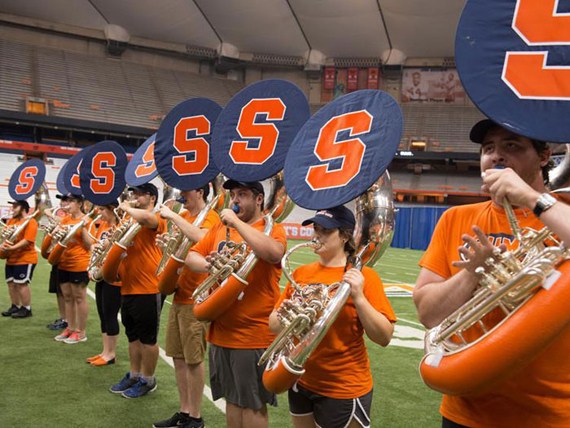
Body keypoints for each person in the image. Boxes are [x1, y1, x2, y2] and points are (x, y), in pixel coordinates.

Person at [413, 119, 570, 427]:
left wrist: (529, 197)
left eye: (512, 146)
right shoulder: (456, 218)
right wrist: (473, 274)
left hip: (552, 413)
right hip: (467, 409)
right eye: (488, 148)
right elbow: (428, 314)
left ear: (544, 156)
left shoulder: (561, 210)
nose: (496, 156)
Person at [268, 206, 396, 428]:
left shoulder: (365, 276)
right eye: (315, 228)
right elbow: (272, 324)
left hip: (343, 386)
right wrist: (295, 314)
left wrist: (359, 298)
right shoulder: (301, 273)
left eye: (325, 230)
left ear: (345, 236)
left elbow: (384, 336)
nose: (316, 235)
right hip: (300, 378)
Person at [185, 180, 287, 428]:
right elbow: (191, 256)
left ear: (259, 199)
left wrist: (237, 223)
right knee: (231, 401)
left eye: (242, 195)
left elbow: (274, 253)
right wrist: (211, 265)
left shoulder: (271, 228)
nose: (235, 200)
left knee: (252, 404)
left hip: (252, 335)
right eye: (233, 195)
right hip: (220, 332)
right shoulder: (221, 228)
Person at [153, 184, 220, 428]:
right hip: (179, 294)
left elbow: (203, 238)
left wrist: (171, 216)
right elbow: (181, 249)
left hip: (196, 298)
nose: (182, 194)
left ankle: (196, 416)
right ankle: (184, 412)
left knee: (193, 359)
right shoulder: (183, 216)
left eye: (187, 190)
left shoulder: (211, 216)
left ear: (200, 192)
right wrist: (166, 246)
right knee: (179, 358)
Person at [108, 182, 167, 398]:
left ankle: (148, 379)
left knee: (148, 338)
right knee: (132, 336)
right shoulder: (129, 219)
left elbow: (148, 220)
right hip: (128, 287)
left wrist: (127, 208)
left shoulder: (157, 215)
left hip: (149, 287)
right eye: (134, 193)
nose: (135, 197)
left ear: (152, 198)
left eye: (141, 194)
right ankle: (134, 374)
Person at [52, 194, 93, 344]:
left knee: (79, 297)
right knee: (67, 297)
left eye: (71, 201)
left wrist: (82, 227)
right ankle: (70, 328)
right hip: (64, 263)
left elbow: (89, 244)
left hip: (79, 263)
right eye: (66, 200)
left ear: (79, 203)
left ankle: (81, 332)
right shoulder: (66, 219)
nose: (67, 204)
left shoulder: (87, 220)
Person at [86, 201, 122, 366]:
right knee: (102, 315)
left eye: (102, 209)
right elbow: (97, 246)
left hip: (114, 278)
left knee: (110, 315)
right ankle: (105, 351)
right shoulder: (103, 226)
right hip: (101, 274)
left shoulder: (120, 227)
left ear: (112, 209)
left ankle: (111, 354)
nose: (99, 212)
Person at [0, 200, 38, 318]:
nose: (12, 209)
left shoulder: (30, 222)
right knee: (11, 283)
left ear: (23, 209)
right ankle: (15, 305)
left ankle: (26, 308)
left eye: (15, 206)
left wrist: (11, 248)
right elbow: (5, 236)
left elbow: (27, 240)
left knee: (21, 284)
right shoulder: (12, 221)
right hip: (11, 258)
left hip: (25, 258)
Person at [43, 206, 68, 331]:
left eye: (68, 201)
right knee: (58, 291)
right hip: (57, 258)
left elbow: (63, 223)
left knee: (67, 294)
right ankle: (63, 317)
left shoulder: (74, 219)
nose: (64, 203)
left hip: (68, 261)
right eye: (63, 201)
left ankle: (69, 320)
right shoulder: (65, 218)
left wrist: (51, 215)